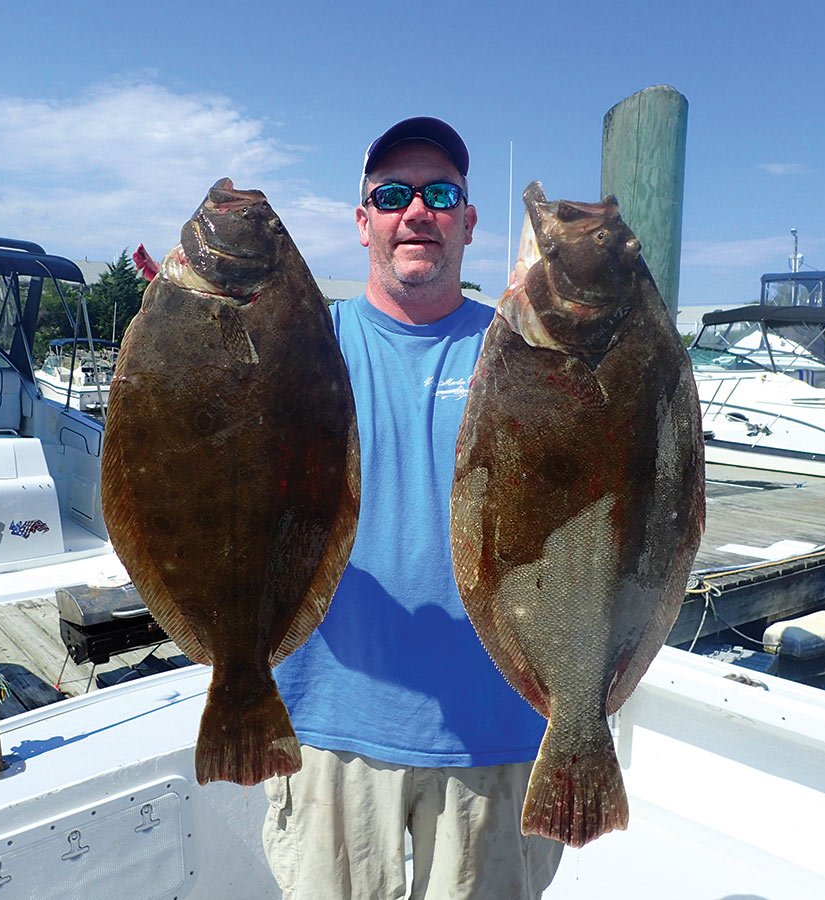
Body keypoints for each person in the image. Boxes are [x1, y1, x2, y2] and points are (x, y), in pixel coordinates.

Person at [263, 117, 564, 899]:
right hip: (329, 727)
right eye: (392, 195)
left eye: (440, 194)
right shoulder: (301, 351)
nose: (417, 211)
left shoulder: (529, 357)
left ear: (468, 221)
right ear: (363, 222)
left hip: (500, 735)